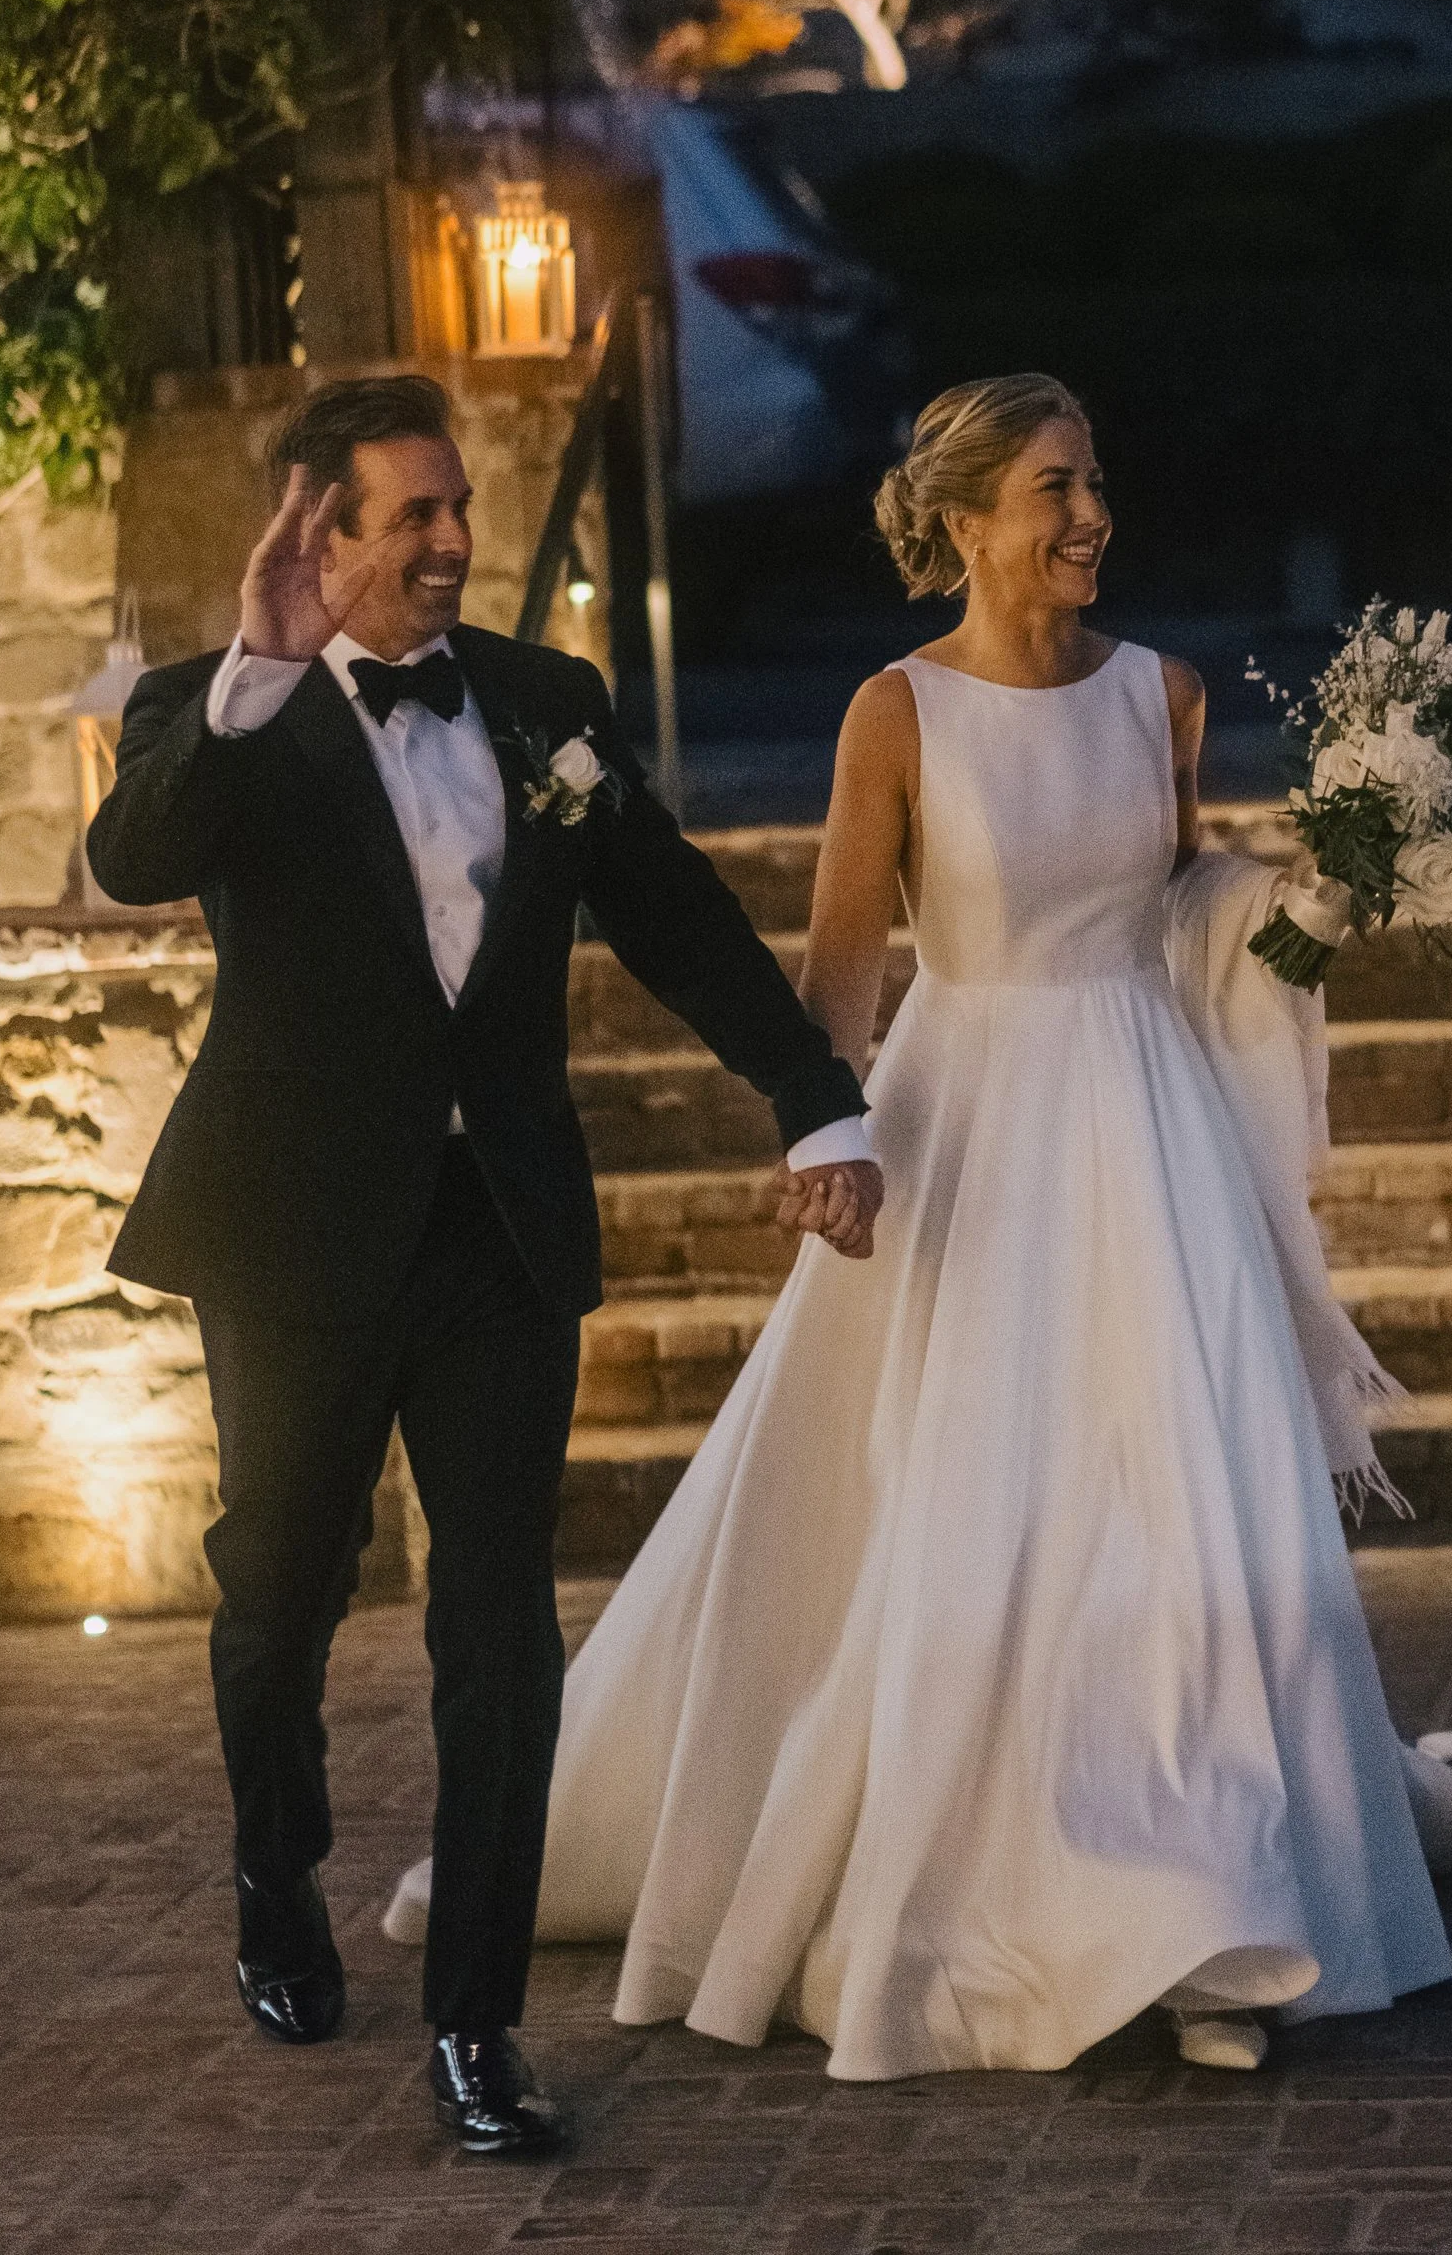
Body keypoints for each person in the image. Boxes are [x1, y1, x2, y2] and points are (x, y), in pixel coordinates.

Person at [392, 372, 1452, 2080]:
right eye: (1055, 488)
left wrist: (1316, 897)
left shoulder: (1168, 695)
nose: (1090, 518)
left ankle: (1211, 1896)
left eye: (1098, 484)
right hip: (970, 1130)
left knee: (1178, 1510)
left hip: (1150, 1135)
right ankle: (1047, 1896)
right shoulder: (895, 714)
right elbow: (846, 963)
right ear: (969, 517)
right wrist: (823, 1126)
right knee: (984, 1510)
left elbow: (1185, 914)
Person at [87, 372, 874, 2156]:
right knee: (280, 1583)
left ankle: (479, 2024)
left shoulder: (545, 704)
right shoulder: (209, 713)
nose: (457, 542)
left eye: (460, 509)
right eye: (415, 515)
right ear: (322, 532)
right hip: (288, 1227)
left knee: (500, 1615)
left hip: (499, 1226)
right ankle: (277, 1872)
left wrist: (814, 1095)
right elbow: (132, 861)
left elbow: (670, 912)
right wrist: (254, 670)